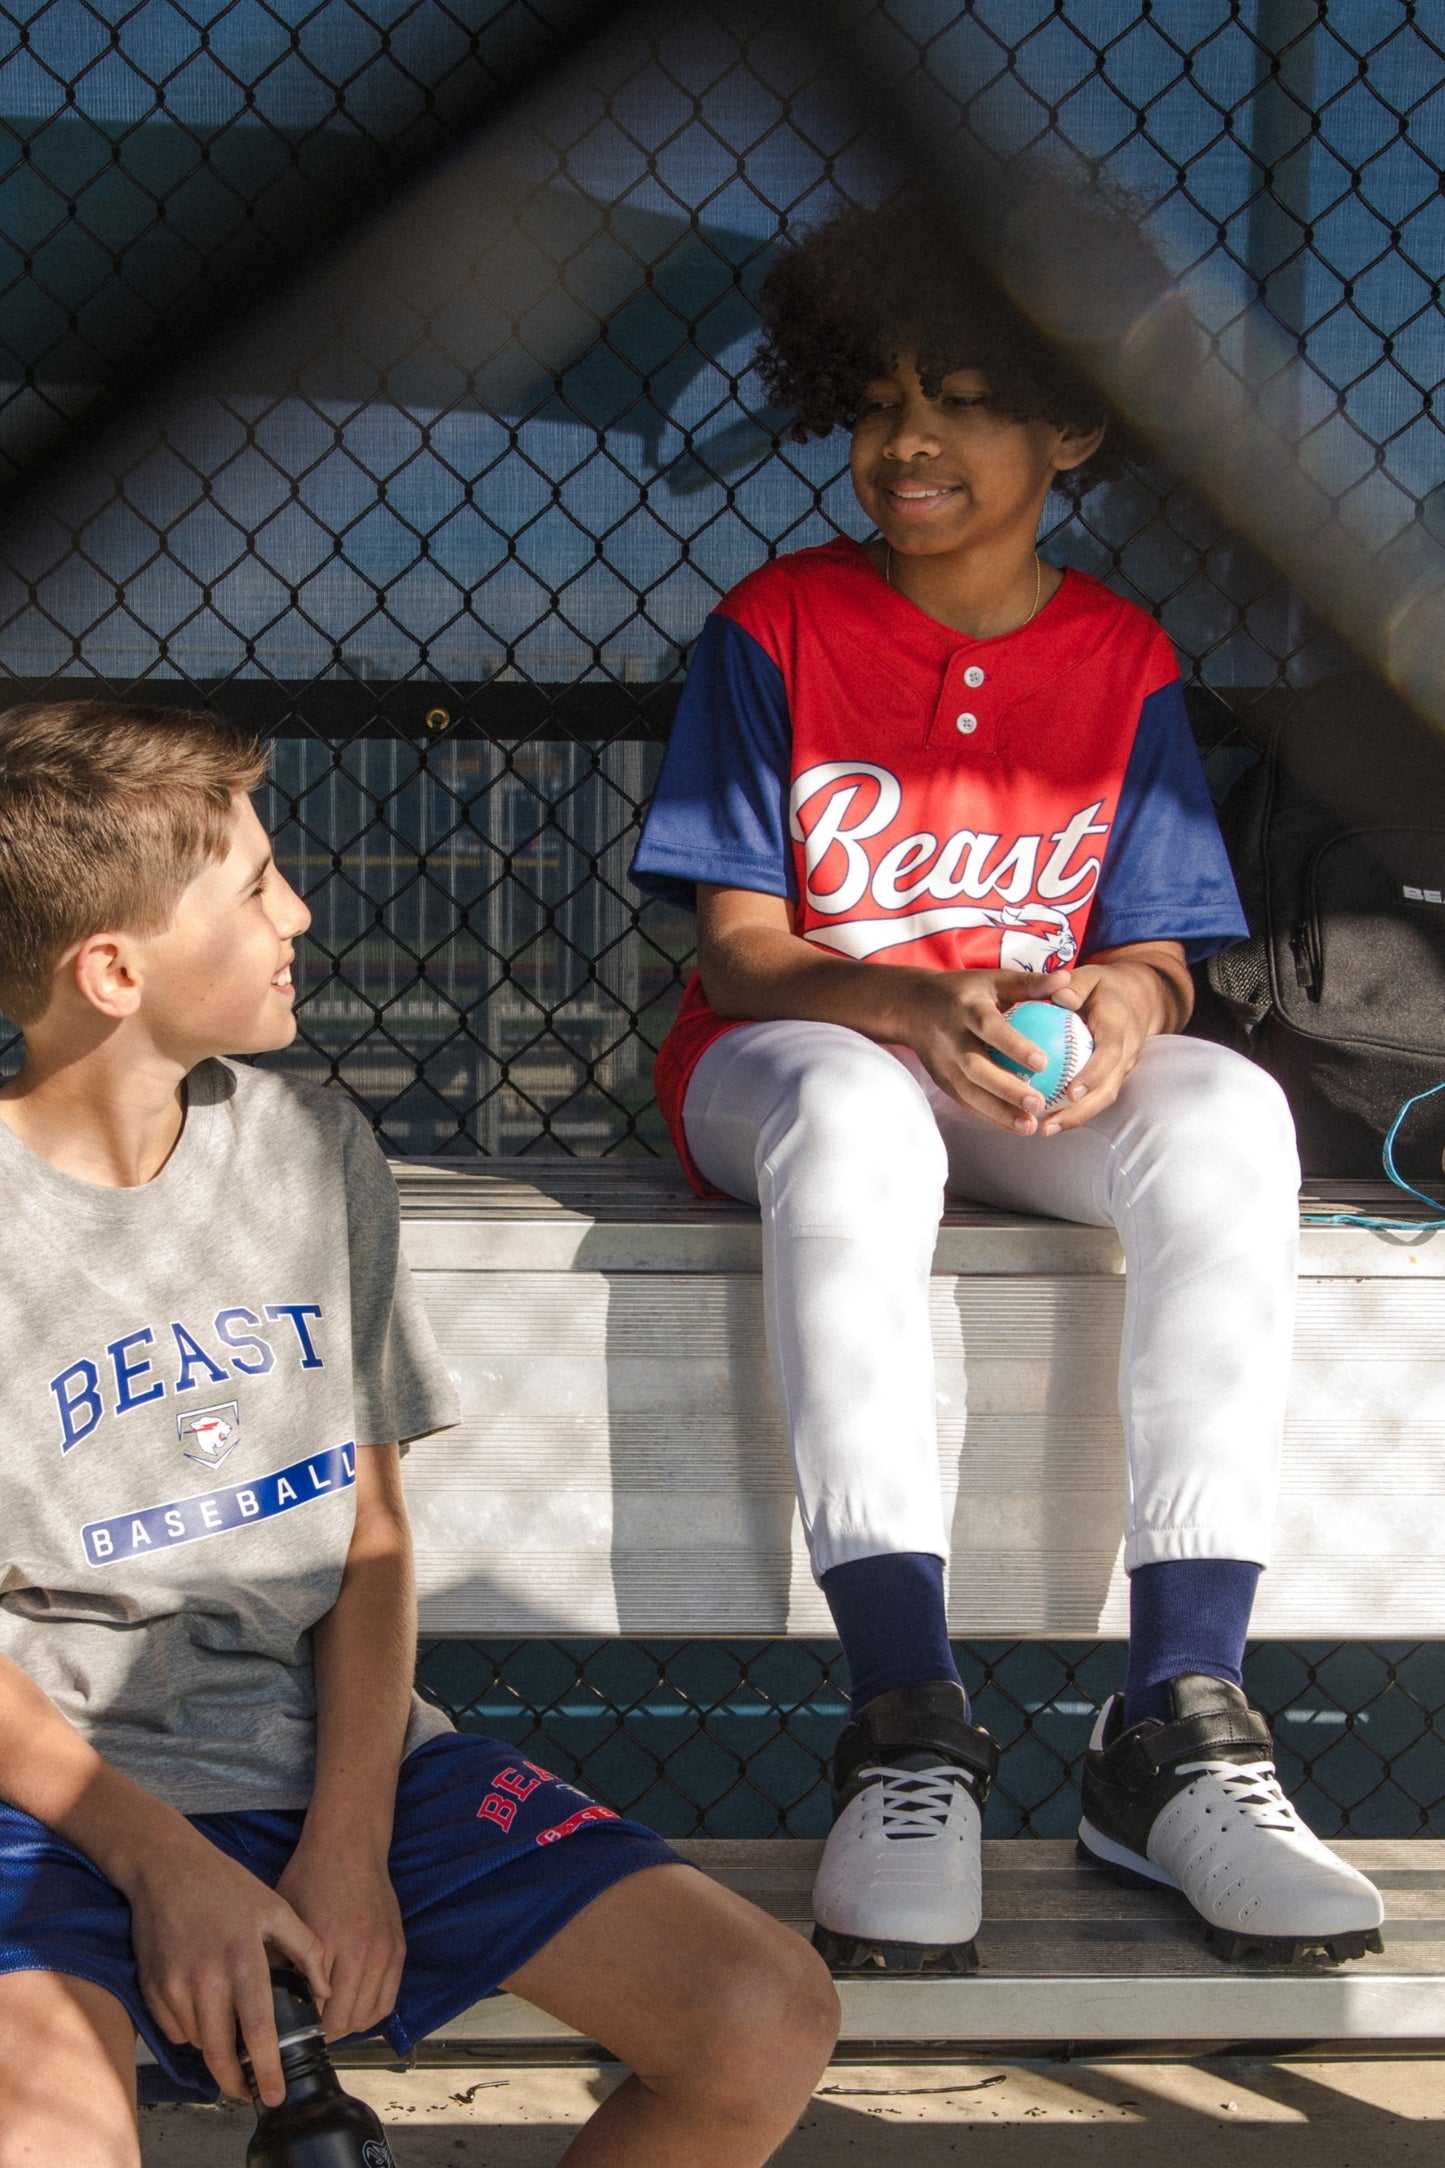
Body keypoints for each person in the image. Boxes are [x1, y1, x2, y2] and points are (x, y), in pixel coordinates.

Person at [630, 197, 1386, 1976]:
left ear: (1072, 428)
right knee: (855, 1106)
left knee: (1222, 1112)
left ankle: (1176, 1731)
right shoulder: (780, 625)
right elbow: (739, 953)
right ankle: (908, 1725)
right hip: (791, 1061)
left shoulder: (1122, 659)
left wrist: (1127, 1012)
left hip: (1015, 1078)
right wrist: (910, 991)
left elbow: (1156, 947)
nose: (910, 439)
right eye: (882, 395)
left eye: (967, 399)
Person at [0, 701, 838, 2168]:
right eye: (256, 886)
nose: (299, 910)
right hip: (58, 1792)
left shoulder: (313, 1149)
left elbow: (371, 1536)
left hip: (321, 1753)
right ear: (114, 969)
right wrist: (165, 1864)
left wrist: (348, 1836)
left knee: (760, 2015)